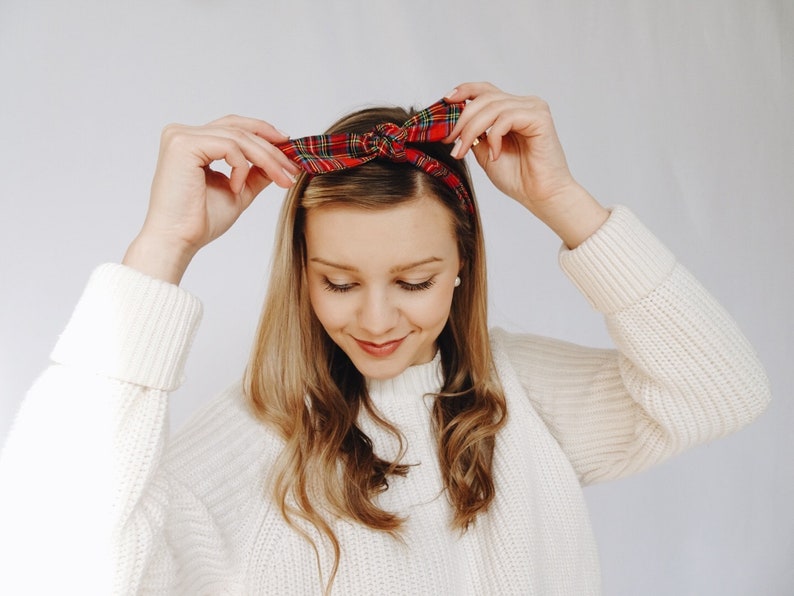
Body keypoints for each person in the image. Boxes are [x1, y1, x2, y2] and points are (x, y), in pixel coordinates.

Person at [0, 82, 771, 595]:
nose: (375, 322)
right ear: (299, 273)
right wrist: (161, 249)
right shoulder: (241, 444)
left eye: (413, 282)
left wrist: (562, 201)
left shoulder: (521, 394)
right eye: (338, 283)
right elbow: (53, 564)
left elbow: (720, 392)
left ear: (463, 265)